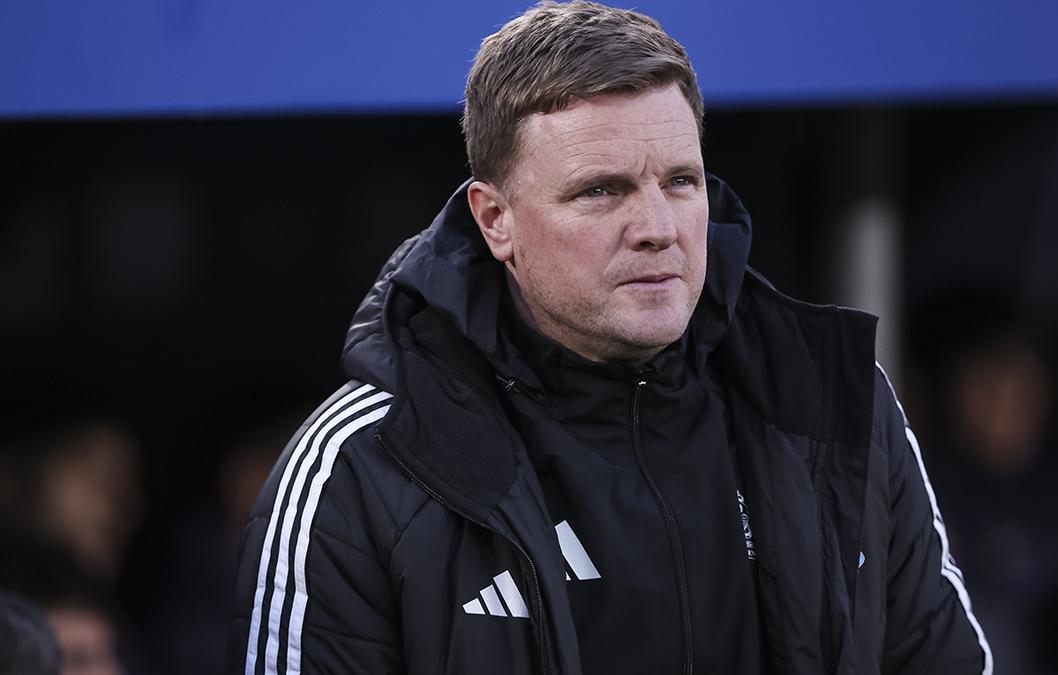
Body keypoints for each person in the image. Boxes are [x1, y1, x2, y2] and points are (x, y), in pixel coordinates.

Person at [227, 2, 992, 673]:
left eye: (680, 182)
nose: (657, 229)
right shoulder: (363, 465)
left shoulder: (827, 402)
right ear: (496, 220)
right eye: (601, 191)